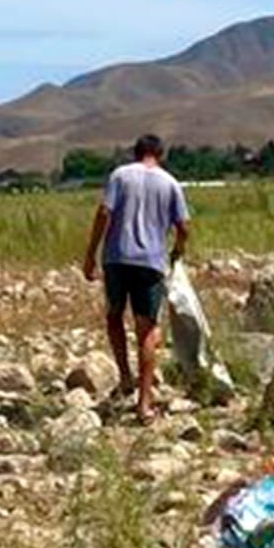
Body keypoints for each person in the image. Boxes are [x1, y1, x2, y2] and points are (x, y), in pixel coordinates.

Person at [83, 134, 191, 422]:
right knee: (147, 330)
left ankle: (125, 376)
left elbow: (104, 213)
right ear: (160, 154)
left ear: (136, 153)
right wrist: (177, 251)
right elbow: (184, 226)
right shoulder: (170, 183)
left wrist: (90, 253)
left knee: (114, 316)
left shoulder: (120, 175)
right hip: (150, 263)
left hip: (116, 258)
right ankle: (144, 404)